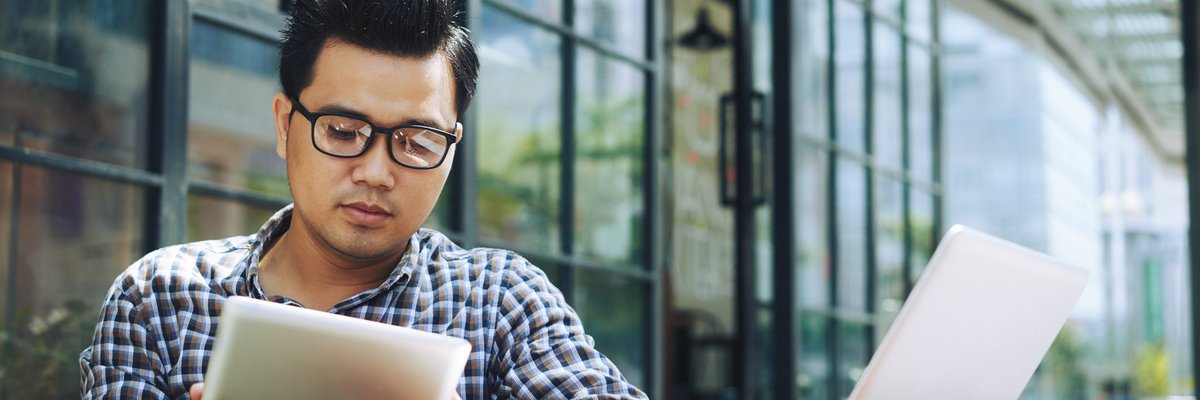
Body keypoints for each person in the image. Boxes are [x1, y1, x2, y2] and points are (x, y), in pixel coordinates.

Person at [78, 0, 648, 398]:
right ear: (284, 126)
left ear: (451, 149)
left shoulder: (500, 303)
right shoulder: (161, 300)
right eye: (344, 131)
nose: (376, 173)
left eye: (417, 141)